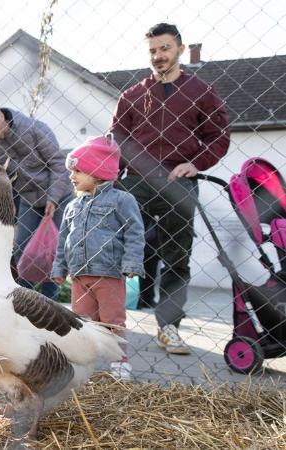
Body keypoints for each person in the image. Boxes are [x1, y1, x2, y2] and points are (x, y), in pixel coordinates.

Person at [110, 23, 230, 354]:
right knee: (115, 249)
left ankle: (168, 328)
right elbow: (116, 140)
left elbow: (219, 136)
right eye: (152, 51)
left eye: (164, 49)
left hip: (179, 184)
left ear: (179, 49)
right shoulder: (132, 95)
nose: (158, 56)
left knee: (177, 257)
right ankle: (107, 324)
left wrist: (197, 163)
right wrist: (113, 179)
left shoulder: (201, 92)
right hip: (136, 184)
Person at [52, 136, 145, 380]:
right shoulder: (73, 206)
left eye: (78, 171)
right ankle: (84, 362)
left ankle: (119, 362)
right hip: (79, 276)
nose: (72, 176)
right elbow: (63, 239)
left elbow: (135, 232)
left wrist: (132, 263)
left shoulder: (121, 201)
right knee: (82, 322)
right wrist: (59, 266)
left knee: (112, 320)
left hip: (109, 274)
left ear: (97, 172)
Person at [0, 101, 71, 299]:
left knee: (53, 250)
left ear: (1, 115)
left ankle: (50, 300)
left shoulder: (34, 129)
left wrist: (53, 198)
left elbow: (58, 163)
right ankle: (24, 298)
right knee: (21, 248)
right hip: (29, 200)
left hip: (59, 194)